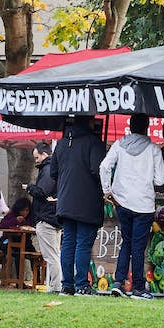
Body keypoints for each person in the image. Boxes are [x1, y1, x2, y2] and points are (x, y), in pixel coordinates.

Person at [100, 114, 164, 299]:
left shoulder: (119, 145)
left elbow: (104, 167)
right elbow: (160, 180)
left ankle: (118, 283)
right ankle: (138, 288)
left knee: (127, 243)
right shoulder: (154, 149)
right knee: (138, 247)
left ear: (130, 126)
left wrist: (107, 191)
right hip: (144, 205)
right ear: (146, 127)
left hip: (122, 203)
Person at [53, 117, 107, 296]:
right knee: (83, 243)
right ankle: (82, 284)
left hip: (65, 200)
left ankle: (67, 284)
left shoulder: (61, 144)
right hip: (87, 201)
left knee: (68, 242)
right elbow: (97, 170)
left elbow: (53, 172)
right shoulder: (94, 143)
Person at [26, 142, 63, 294]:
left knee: (51, 256)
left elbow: (43, 192)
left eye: (36, 157)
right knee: (55, 254)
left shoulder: (47, 169)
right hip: (54, 218)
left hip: (46, 218)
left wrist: (29, 188)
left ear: (44, 155)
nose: (36, 161)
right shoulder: (54, 168)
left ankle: (56, 286)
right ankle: (58, 284)